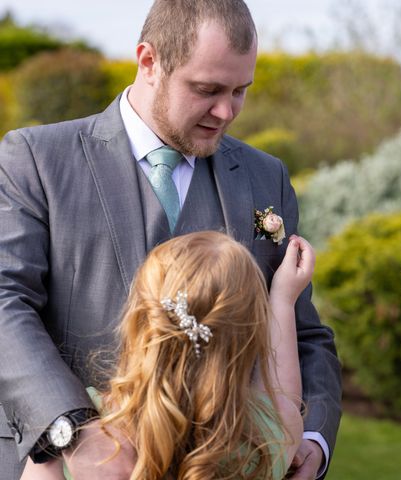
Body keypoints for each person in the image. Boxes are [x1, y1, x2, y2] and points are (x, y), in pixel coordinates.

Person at [0, 1, 341, 478]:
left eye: (241, 91)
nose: (226, 111)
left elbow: (303, 331)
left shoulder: (266, 178)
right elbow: (5, 301)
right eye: (207, 89)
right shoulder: (36, 159)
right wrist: (71, 432)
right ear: (149, 61)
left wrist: (312, 438)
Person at [19, 231, 313, 479]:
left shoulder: (84, 432)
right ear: (250, 335)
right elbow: (284, 394)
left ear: (137, 320)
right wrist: (283, 301)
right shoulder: (266, 436)